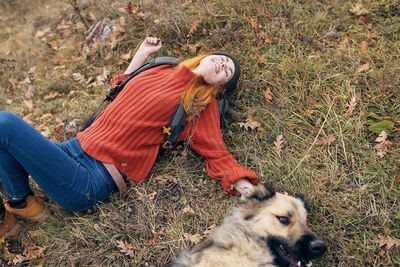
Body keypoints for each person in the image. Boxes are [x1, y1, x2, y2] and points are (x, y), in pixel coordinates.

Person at [0, 37, 258, 238]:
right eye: (222, 59)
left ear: (219, 88)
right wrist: (142, 54)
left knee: (5, 124)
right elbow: (119, 90)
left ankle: (14, 210)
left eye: (226, 71)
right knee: (3, 137)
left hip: (91, 179)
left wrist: (255, 195)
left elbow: (220, 156)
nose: (222, 64)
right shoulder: (163, 67)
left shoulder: (200, 105)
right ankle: (21, 202)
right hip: (72, 149)